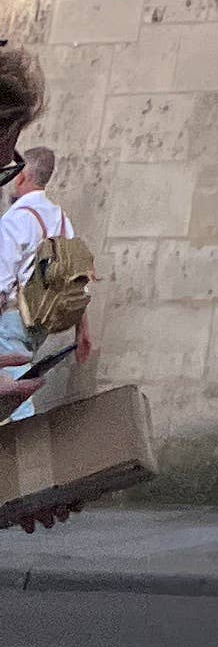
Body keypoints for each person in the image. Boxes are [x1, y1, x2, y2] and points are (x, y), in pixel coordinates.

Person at [0, 127, 86, 427]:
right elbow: (77, 275)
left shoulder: (17, 219)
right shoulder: (61, 218)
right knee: (19, 380)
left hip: (11, 316)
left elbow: (1, 278)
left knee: (8, 393)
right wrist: (81, 331)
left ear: (23, 177)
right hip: (43, 319)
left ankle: (24, 453)